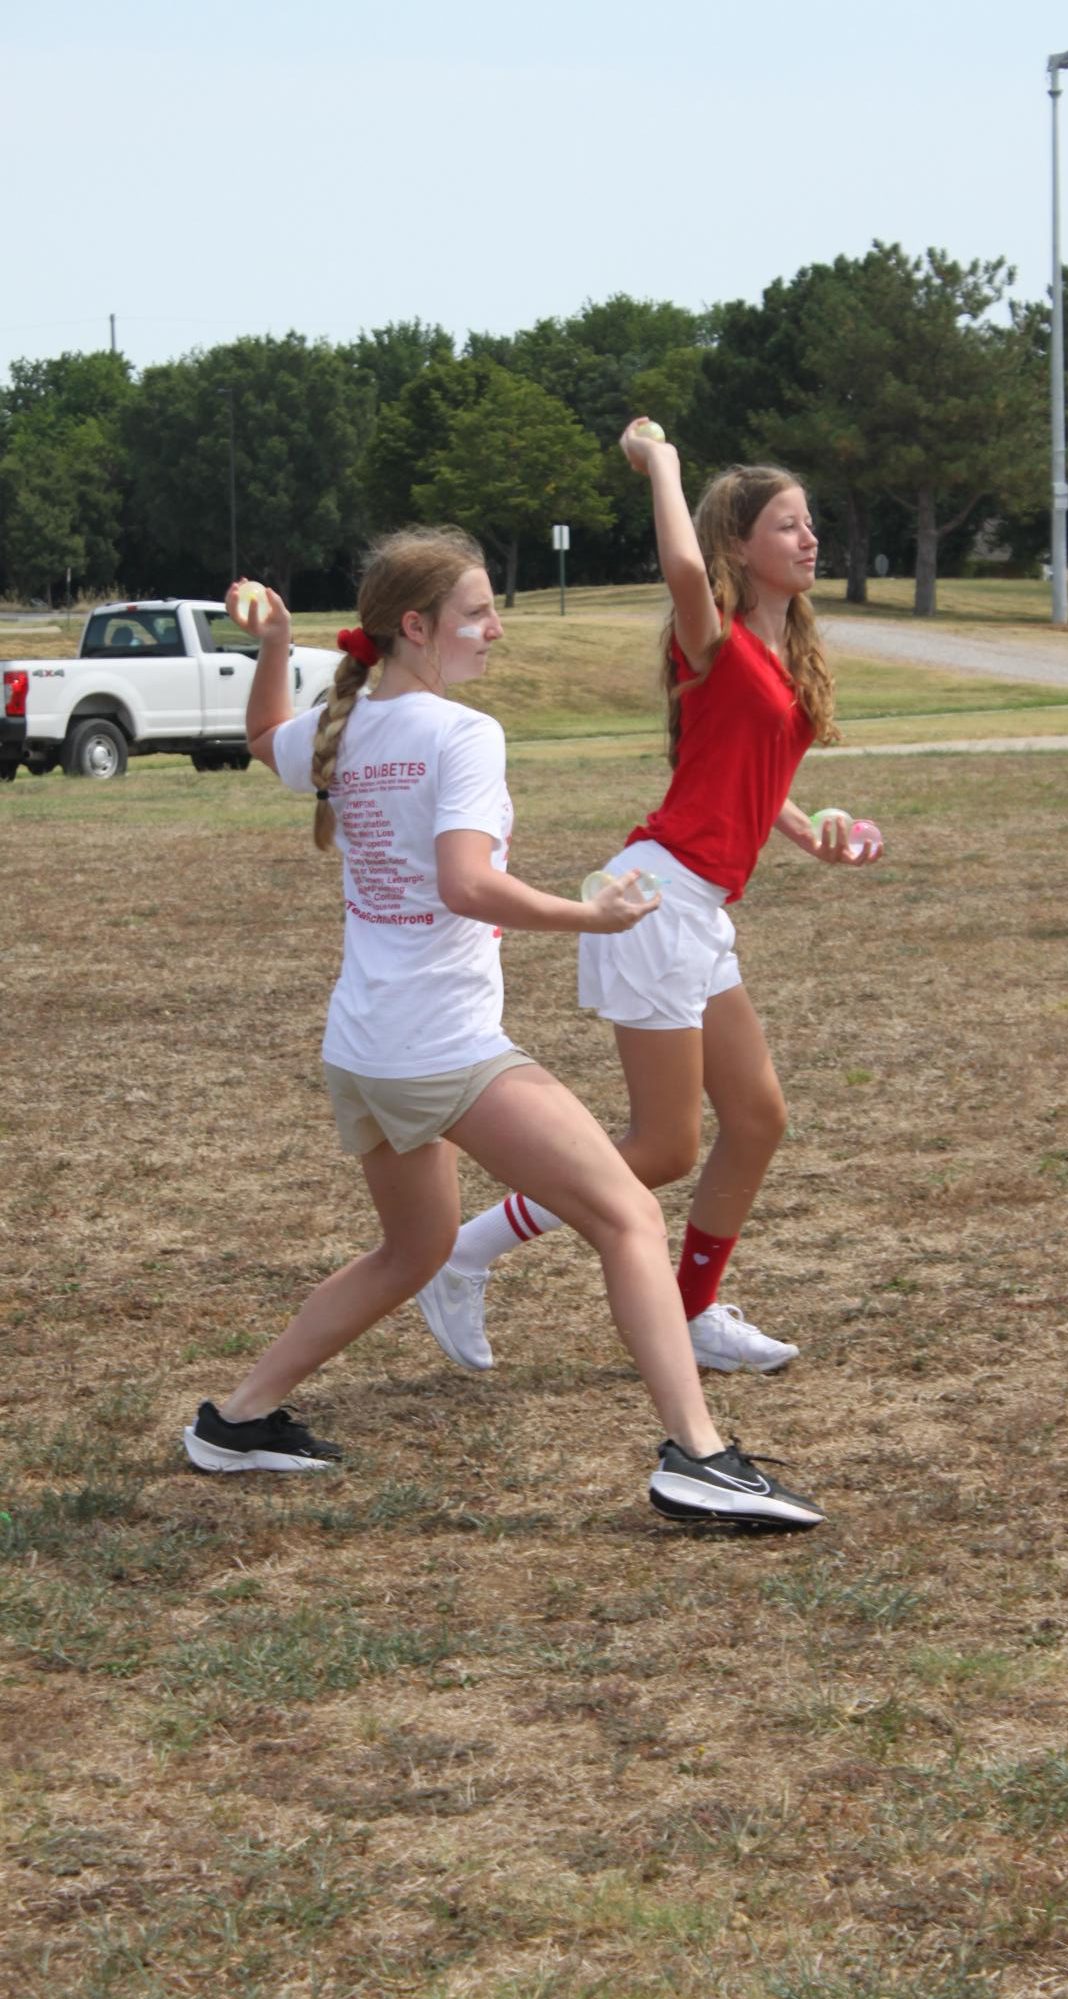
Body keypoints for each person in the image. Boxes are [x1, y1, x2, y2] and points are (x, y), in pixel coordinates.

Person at [181, 528, 822, 1531]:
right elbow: (466, 884)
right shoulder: (459, 734)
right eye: (478, 613)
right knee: (626, 1215)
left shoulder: (344, 726)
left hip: (363, 1048)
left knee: (414, 1249)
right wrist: (592, 915)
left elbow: (267, 739)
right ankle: (698, 1457)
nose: (495, 629)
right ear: (415, 626)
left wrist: (272, 649)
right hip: (441, 1050)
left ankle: (236, 1417)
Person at [417, 426, 880, 1378]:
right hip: (656, 900)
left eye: (811, 524)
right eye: (788, 526)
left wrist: (812, 831)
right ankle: (462, 1252)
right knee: (664, 1147)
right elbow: (680, 562)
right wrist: (663, 462)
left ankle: (692, 1309)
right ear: (739, 547)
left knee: (756, 1120)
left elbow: (747, 778)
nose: (809, 539)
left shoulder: (780, 657)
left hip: (699, 908)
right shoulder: (707, 634)